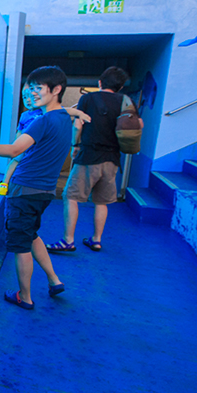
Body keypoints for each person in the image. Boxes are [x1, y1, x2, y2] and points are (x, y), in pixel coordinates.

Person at [0, 66, 75, 310]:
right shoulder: (65, 118)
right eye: (29, 87)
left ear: (56, 90)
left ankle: (25, 296)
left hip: (25, 191)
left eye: (37, 88)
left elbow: (14, 150)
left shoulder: (41, 122)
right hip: (44, 192)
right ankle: (54, 280)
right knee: (31, 235)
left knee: (21, 246)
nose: (31, 93)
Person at [46, 66, 141, 254]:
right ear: (120, 86)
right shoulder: (125, 101)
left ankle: (68, 240)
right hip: (112, 159)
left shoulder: (88, 98)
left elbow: (78, 124)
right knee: (101, 202)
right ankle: (96, 240)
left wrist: (75, 145)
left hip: (89, 156)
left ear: (99, 82)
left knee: (71, 197)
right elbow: (139, 124)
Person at [0, 85, 91, 195]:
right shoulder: (24, 115)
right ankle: (5, 182)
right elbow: (20, 130)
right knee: (15, 160)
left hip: (37, 147)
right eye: (24, 97)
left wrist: (80, 113)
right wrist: (15, 144)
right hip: (25, 145)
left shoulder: (44, 112)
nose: (27, 100)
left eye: (30, 97)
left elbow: (67, 110)